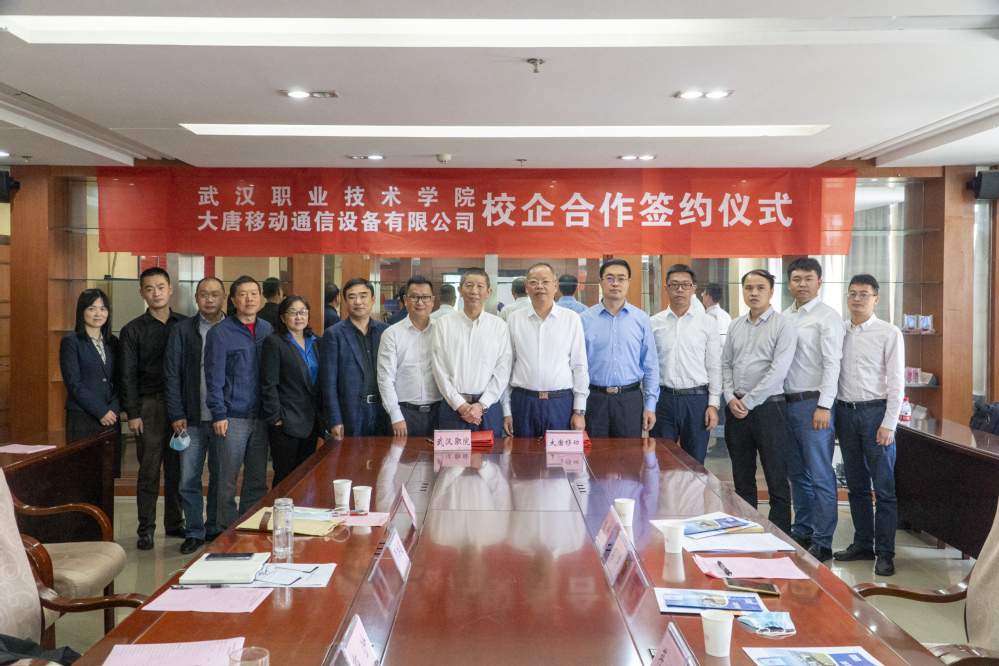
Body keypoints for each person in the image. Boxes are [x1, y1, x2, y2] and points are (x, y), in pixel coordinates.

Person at [833, 274, 904, 577]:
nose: (857, 299)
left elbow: (897, 382)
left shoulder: (888, 332)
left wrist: (889, 423)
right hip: (845, 413)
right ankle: (862, 543)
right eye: (852, 293)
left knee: (884, 488)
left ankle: (885, 553)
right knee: (856, 485)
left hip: (876, 415)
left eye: (864, 294)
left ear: (876, 299)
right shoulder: (839, 331)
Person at [722, 269, 797, 535]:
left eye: (760, 288)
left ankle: (780, 538)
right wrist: (730, 397)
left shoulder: (783, 325)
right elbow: (726, 364)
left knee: (776, 478)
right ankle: (746, 533)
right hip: (736, 409)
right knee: (742, 477)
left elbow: (779, 370)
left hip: (769, 408)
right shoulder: (735, 325)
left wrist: (749, 401)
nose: (754, 293)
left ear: (771, 292)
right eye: (749, 288)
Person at [782, 258, 845, 562]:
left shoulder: (827, 317)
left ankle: (823, 540)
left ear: (819, 283)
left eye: (808, 278)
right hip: (786, 404)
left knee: (820, 474)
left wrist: (824, 405)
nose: (802, 284)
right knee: (797, 474)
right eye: (796, 279)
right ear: (789, 283)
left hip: (813, 404)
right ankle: (803, 530)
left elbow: (833, 364)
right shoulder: (784, 317)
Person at [120, 266, 187, 550]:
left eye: (161, 287)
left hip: (179, 406)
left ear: (170, 289)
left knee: (177, 470)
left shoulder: (184, 324)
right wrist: (133, 413)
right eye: (149, 289)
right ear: (142, 293)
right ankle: (145, 529)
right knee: (148, 471)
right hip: (148, 406)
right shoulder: (132, 329)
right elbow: (127, 375)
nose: (156, 293)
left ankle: (175, 523)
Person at [204, 275, 274, 530]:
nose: (249, 299)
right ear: (233, 300)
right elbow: (214, 377)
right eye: (243, 294)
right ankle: (226, 533)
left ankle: (250, 528)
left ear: (261, 297)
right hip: (232, 417)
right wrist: (218, 413)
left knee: (257, 480)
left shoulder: (268, 329)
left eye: (254, 293)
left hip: (262, 416)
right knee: (227, 480)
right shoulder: (220, 333)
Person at [164, 276, 225, 554]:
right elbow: (171, 374)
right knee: (188, 479)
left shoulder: (232, 328)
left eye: (215, 294)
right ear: (196, 298)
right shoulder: (182, 330)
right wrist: (176, 412)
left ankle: (214, 527)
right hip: (191, 418)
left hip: (224, 419)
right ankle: (194, 531)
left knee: (219, 477)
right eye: (204, 294)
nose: (209, 299)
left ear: (224, 298)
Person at [503, 263, 589, 438]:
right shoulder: (514, 320)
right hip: (523, 403)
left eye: (545, 281)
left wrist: (579, 411)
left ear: (555, 285)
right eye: (534, 282)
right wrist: (506, 410)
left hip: (561, 403)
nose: (539, 286)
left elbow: (579, 366)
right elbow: (506, 367)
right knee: (522, 454)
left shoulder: (571, 319)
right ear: (526, 287)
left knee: (559, 454)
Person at [649, 264, 722, 464]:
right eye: (674, 285)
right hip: (663, 401)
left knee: (695, 464)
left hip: (696, 401)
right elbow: (649, 367)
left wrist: (713, 404)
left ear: (693, 289)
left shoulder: (707, 323)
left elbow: (714, 366)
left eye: (685, 285)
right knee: (661, 462)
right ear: (666, 289)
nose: (680, 290)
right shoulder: (654, 323)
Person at [580, 259, 659, 438]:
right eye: (609, 278)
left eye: (621, 278)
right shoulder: (584, 320)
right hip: (594, 399)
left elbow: (650, 365)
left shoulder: (641, 319)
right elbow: (577, 366)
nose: (615, 283)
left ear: (629, 282)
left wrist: (650, 406)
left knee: (629, 454)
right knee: (594, 453)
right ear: (600, 282)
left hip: (630, 400)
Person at [432, 268, 512, 439]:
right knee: (452, 456)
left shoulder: (499, 326)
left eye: (480, 286)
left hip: (488, 409)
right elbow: (439, 370)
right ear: (460, 290)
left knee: (491, 456)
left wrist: (481, 405)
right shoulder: (443, 324)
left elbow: (503, 370)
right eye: (469, 285)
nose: (474, 291)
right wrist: (460, 405)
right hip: (453, 409)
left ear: (488, 292)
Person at [260, 295, 324, 488]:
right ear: (282, 317)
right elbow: (268, 384)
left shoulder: (316, 341)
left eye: (303, 312)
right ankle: (280, 508)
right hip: (286, 422)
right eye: (293, 312)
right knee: (285, 477)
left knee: (305, 476)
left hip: (311, 421)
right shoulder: (275, 342)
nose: (299, 317)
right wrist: (276, 419)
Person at [60, 289, 122, 475]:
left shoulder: (113, 342)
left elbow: (120, 380)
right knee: (83, 473)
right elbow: (74, 383)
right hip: (82, 418)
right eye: (92, 308)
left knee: (107, 474)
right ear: (82, 311)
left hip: (111, 418)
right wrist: (101, 411)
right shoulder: (71, 342)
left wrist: (113, 410)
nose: (98, 314)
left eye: (103, 309)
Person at [323, 277, 390, 439]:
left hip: (383, 411)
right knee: (350, 455)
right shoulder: (334, 334)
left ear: (373, 299)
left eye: (363, 296)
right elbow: (328, 382)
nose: (358, 302)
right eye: (352, 297)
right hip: (351, 413)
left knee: (383, 454)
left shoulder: (386, 332)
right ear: (345, 302)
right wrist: (335, 419)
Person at [378, 276, 443, 437]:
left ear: (432, 301)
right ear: (406, 300)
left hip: (439, 413)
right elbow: (385, 378)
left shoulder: (442, 331)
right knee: (402, 454)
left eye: (425, 297)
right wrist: (395, 415)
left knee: (438, 454)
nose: (420, 302)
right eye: (414, 297)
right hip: (404, 414)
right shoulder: (391, 334)